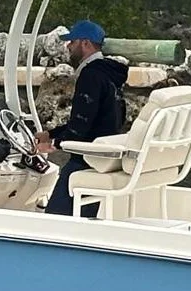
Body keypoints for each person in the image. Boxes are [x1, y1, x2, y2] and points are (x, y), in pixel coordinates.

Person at [36, 19, 128, 216]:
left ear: (85, 43)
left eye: (72, 41)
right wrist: (50, 133)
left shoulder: (91, 75)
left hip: (85, 158)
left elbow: (81, 124)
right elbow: (95, 119)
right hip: (102, 155)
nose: (68, 46)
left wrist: (53, 144)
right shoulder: (109, 74)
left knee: (55, 217)